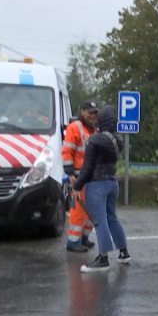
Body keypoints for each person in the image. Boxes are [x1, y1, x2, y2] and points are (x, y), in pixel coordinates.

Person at [74, 106, 131, 273]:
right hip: (113, 183)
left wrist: (77, 186)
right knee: (112, 217)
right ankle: (124, 252)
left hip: (96, 185)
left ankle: (103, 258)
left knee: (99, 221)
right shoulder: (118, 139)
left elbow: (88, 166)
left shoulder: (95, 139)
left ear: (101, 120)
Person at [63, 100, 99, 252]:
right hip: (77, 176)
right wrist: (70, 173)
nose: (93, 115)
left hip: (90, 176)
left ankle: (83, 237)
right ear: (83, 111)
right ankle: (73, 241)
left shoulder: (94, 130)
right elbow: (67, 151)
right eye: (90, 112)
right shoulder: (75, 127)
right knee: (78, 209)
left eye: (95, 113)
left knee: (89, 208)